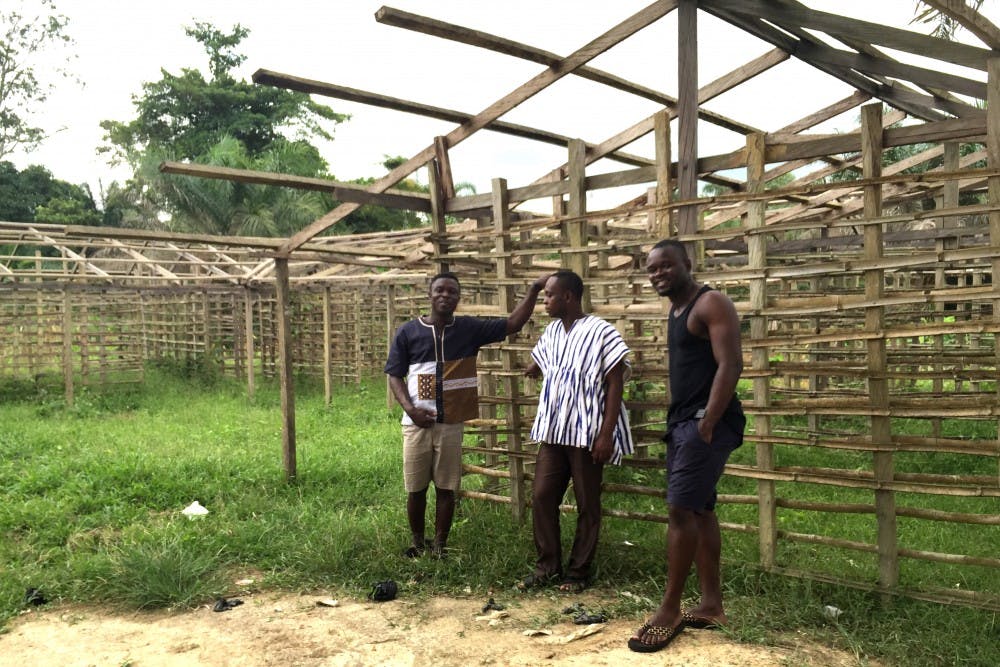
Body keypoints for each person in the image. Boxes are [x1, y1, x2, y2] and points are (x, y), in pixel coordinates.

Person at [628, 239, 745, 653]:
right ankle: (712, 605)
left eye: (665, 266)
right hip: (685, 423)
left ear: (687, 264)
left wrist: (708, 422)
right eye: (652, 270)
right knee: (700, 509)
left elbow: (731, 364)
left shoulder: (710, 303)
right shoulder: (677, 310)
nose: (658, 274)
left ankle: (670, 610)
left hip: (704, 424)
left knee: (680, 511)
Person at [385, 271, 547, 559]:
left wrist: (534, 289)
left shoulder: (469, 329)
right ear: (429, 294)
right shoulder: (408, 332)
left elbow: (512, 324)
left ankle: (439, 547)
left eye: (452, 292)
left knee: (447, 488)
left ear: (459, 298)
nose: (445, 296)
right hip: (415, 424)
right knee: (416, 489)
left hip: (451, 423)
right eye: (440, 290)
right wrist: (410, 409)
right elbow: (395, 375)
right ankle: (417, 543)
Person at [518, 270, 633, 592]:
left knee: (587, 503)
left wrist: (606, 434)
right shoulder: (553, 331)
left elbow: (615, 382)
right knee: (542, 496)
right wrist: (535, 367)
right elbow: (549, 359)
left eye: (549, 296)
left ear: (568, 297)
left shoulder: (602, 332)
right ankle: (547, 567)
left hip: (586, 432)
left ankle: (578, 572)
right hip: (555, 430)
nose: (545, 302)